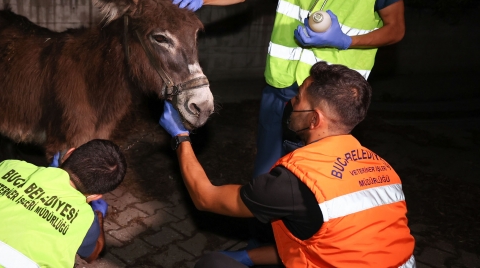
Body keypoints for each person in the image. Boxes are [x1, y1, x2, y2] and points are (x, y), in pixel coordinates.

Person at [170, 0, 409, 177]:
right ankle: (264, 217)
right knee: (268, 171)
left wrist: (345, 41)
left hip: (332, 96)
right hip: (281, 88)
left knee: (313, 176)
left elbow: (396, 29)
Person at [159, 62, 415, 267]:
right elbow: (330, 245)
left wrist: (180, 137)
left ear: (314, 119)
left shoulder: (297, 181)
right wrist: (249, 257)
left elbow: (206, 197)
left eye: (299, 97)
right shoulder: (383, 168)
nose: (291, 101)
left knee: (213, 263)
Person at [0, 139, 127, 268]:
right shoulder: (83, 217)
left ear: (68, 153)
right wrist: (98, 217)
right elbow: (92, 255)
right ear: (95, 196)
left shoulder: (7, 166)